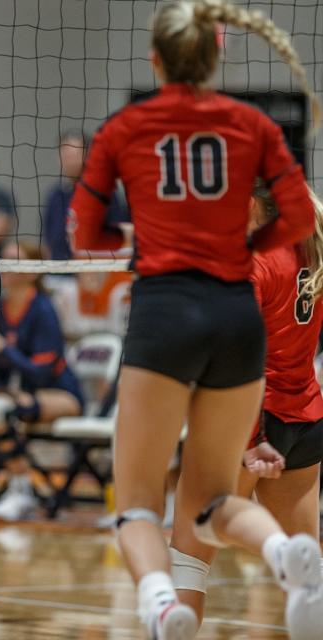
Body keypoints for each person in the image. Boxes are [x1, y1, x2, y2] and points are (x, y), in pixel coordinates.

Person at [69, 2, 321, 638]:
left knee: (139, 506)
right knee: (214, 502)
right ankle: (277, 554)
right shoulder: (252, 125)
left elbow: (86, 232)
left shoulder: (128, 126)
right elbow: (294, 218)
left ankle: (160, 605)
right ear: (216, 59)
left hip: (169, 310)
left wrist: (153, 234)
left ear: (156, 59)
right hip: (244, 328)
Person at [169, 185, 323, 628]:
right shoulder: (309, 252)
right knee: (303, 580)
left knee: (189, 554)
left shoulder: (251, 263)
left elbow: (242, 359)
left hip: (250, 419)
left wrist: (250, 439)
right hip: (306, 420)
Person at [0, 241, 84, 521]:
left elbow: (40, 372)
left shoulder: (43, 309)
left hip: (61, 394)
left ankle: (22, 492)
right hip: (20, 392)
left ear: (31, 271)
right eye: (3, 260)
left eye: (13, 261)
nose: (5, 267)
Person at [43, 132, 128, 261]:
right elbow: (48, 239)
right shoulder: (55, 194)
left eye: (73, 154)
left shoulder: (103, 191)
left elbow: (118, 236)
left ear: (87, 155)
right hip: (56, 271)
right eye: (64, 154)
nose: (68, 159)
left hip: (91, 270)